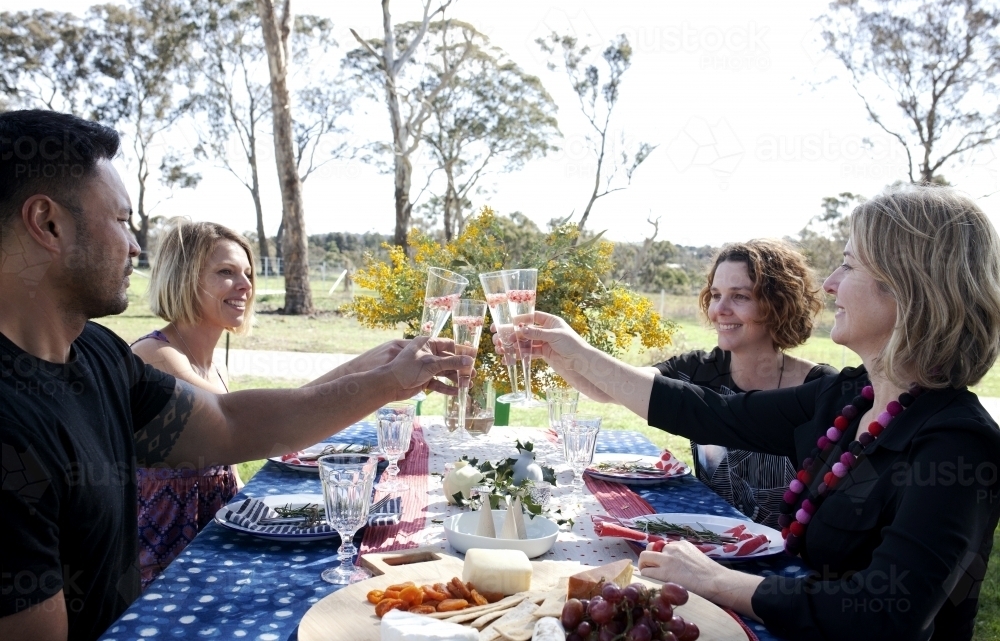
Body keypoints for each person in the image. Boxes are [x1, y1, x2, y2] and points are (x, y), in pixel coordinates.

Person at [0, 110, 469, 641]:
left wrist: (390, 379)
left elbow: (227, 422)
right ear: (48, 223)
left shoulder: (98, 354)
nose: (135, 247)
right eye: (122, 221)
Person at [515, 184, 1000, 640]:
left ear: (908, 289)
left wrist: (716, 580)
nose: (830, 284)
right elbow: (707, 412)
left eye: (848, 266)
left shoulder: (957, 443)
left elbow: (886, 613)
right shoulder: (847, 398)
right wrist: (570, 351)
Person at [652, 239, 836, 528]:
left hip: (783, 564)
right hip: (711, 544)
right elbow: (616, 385)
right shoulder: (698, 370)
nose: (720, 309)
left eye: (739, 296)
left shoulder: (822, 390)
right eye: (715, 295)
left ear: (777, 306)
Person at [130, 219, 254, 589]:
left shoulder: (215, 366)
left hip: (213, 553)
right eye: (226, 272)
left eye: (247, 273)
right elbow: (242, 426)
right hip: (163, 571)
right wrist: (372, 376)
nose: (245, 285)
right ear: (184, 279)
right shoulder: (157, 357)